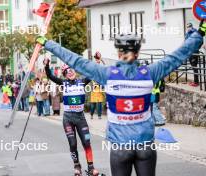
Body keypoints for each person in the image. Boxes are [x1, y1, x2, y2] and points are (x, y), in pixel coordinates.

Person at [36, 21, 206, 176]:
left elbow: (75, 60)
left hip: (120, 147)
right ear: (138, 52)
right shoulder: (151, 72)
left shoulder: (107, 74)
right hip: (145, 145)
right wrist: (200, 33)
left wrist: (47, 43)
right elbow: (178, 56)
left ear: (118, 52)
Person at [44, 59, 99, 176]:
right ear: (64, 74)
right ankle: (77, 166)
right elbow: (49, 75)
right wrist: (47, 65)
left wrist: (97, 61)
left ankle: (91, 167)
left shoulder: (82, 82)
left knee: (87, 142)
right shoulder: (63, 83)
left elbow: (93, 73)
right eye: (67, 71)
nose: (70, 72)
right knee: (73, 144)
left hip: (80, 118)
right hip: (68, 118)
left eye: (71, 70)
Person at [90, 52, 105, 119]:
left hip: (100, 86)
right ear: (95, 58)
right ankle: (91, 114)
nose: (98, 60)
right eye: (97, 58)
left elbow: (105, 67)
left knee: (99, 102)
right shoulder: (94, 65)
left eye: (99, 58)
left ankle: (99, 116)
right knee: (93, 103)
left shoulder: (100, 65)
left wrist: (102, 60)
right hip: (95, 86)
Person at [185, 23, 200, 87]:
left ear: (191, 27)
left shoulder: (194, 33)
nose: (188, 28)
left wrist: (195, 49)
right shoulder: (188, 33)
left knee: (194, 66)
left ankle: (196, 82)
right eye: (187, 27)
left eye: (189, 27)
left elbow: (198, 42)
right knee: (193, 67)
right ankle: (195, 81)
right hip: (190, 52)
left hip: (194, 52)